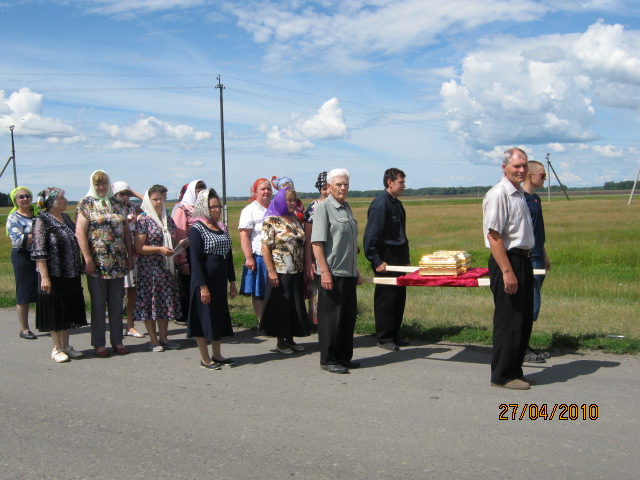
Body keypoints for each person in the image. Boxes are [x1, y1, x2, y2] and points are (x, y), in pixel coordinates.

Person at [482, 148, 536, 390]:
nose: (522, 170)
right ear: (504, 168)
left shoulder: (520, 194)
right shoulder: (499, 194)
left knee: (522, 320)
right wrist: (507, 271)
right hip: (507, 261)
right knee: (508, 320)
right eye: (516, 166)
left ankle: (515, 370)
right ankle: (502, 376)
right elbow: (494, 236)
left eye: (524, 166)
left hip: (522, 260)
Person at [76, 170, 133, 357]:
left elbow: (126, 231)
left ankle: (117, 341)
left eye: (104, 184)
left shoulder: (117, 204)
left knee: (117, 305)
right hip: (97, 264)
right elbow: (80, 233)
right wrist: (88, 259)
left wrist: (129, 255)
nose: (101, 188)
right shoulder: (86, 204)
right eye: (98, 184)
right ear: (93, 185)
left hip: (117, 262)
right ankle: (99, 344)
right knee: (99, 305)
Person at [311, 168, 362, 374]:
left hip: (348, 273)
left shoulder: (347, 207)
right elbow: (317, 243)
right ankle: (328, 359)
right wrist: (324, 272)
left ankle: (343, 357)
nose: (343, 188)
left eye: (346, 184)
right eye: (339, 184)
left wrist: (356, 269)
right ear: (330, 187)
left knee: (348, 317)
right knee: (331, 319)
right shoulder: (323, 208)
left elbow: (349, 243)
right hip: (332, 273)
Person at [32, 188, 87, 363]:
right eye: (62, 198)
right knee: (56, 310)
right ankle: (56, 348)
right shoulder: (42, 221)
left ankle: (66, 346)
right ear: (51, 202)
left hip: (70, 272)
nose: (65, 200)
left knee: (68, 309)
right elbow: (39, 252)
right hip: (54, 274)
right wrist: (45, 277)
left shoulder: (66, 218)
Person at [187, 189, 237, 369]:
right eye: (212, 206)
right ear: (203, 207)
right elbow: (195, 260)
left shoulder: (221, 227)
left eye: (218, 206)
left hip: (219, 281)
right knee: (203, 317)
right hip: (204, 281)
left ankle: (217, 354)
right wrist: (202, 286)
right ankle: (204, 358)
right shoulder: (197, 229)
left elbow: (228, 255)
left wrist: (232, 281)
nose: (216, 210)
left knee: (217, 317)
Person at [363, 168, 410, 351]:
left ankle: (394, 334)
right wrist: (376, 260)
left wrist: (406, 259)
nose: (404, 186)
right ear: (389, 182)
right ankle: (384, 337)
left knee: (399, 297)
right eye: (401, 182)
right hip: (385, 256)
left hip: (398, 255)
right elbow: (370, 236)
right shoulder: (380, 204)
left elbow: (402, 235)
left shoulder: (397, 204)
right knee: (386, 298)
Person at [260, 187, 310, 354]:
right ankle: (280, 342)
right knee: (281, 306)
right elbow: (265, 248)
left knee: (294, 305)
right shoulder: (271, 220)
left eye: (294, 200)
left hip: (296, 270)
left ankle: (290, 339)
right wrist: (271, 271)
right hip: (280, 271)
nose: (291, 203)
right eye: (288, 200)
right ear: (281, 200)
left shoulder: (295, 219)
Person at [134, 185, 182, 352]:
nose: (158, 202)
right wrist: (159, 249)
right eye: (154, 199)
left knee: (164, 304)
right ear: (148, 201)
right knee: (151, 305)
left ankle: (164, 338)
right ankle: (153, 340)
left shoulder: (168, 220)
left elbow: (173, 239)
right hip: (150, 270)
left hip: (166, 268)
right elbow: (139, 247)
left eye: (160, 198)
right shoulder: (145, 221)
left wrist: (178, 247)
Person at [524, 161, 552, 363]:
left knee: (534, 303)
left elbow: (538, 230)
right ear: (530, 175)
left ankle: (525, 344)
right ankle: (522, 348)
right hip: (527, 258)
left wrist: (544, 254)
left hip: (538, 256)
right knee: (529, 304)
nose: (544, 178)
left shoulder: (536, 199)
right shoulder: (521, 199)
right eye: (542, 174)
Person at [112, 181, 145, 339]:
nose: (125, 197)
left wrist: (134, 193)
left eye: (127, 193)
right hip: (119, 254)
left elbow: (148, 203)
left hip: (134, 252)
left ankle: (130, 325)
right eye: (121, 193)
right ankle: (117, 325)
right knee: (117, 293)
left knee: (132, 291)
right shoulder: (111, 209)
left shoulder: (132, 207)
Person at [172, 179, 208, 326]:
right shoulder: (183, 209)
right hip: (189, 254)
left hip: (204, 254)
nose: (200, 193)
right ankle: (187, 317)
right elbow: (180, 237)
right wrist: (182, 261)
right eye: (198, 191)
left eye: (203, 190)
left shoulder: (204, 208)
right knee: (189, 287)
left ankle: (202, 315)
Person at [6, 186, 39, 339]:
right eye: (21, 197)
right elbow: (18, 239)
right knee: (24, 292)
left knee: (43, 290)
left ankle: (44, 322)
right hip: (23, 256)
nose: (25, 199)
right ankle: (24, 328)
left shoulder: (37, 215)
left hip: (39, 256)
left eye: (27, 196)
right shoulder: (14, 217)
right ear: (15, 201)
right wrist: (38, 234)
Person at [238, 178, 272, 324]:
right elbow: (244, 235)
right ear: (255, 191)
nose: (266, 191)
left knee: (273, 291)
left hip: (276, 256)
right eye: (262, 189)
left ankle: (273, 319)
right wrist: (249, 257)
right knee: (259, 292)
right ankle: (262, 321)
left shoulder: (275, 207)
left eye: (268, 189)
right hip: (259, 256)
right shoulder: (250, 210)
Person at [303, 172, 330, 324]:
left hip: (334, 256)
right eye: (324, 188)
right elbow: (308, 238)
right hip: (316, 256)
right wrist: (309, 262)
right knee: (317, 290)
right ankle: (318, 323)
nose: (327, 191)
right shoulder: (314, 207)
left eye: (329, 187)